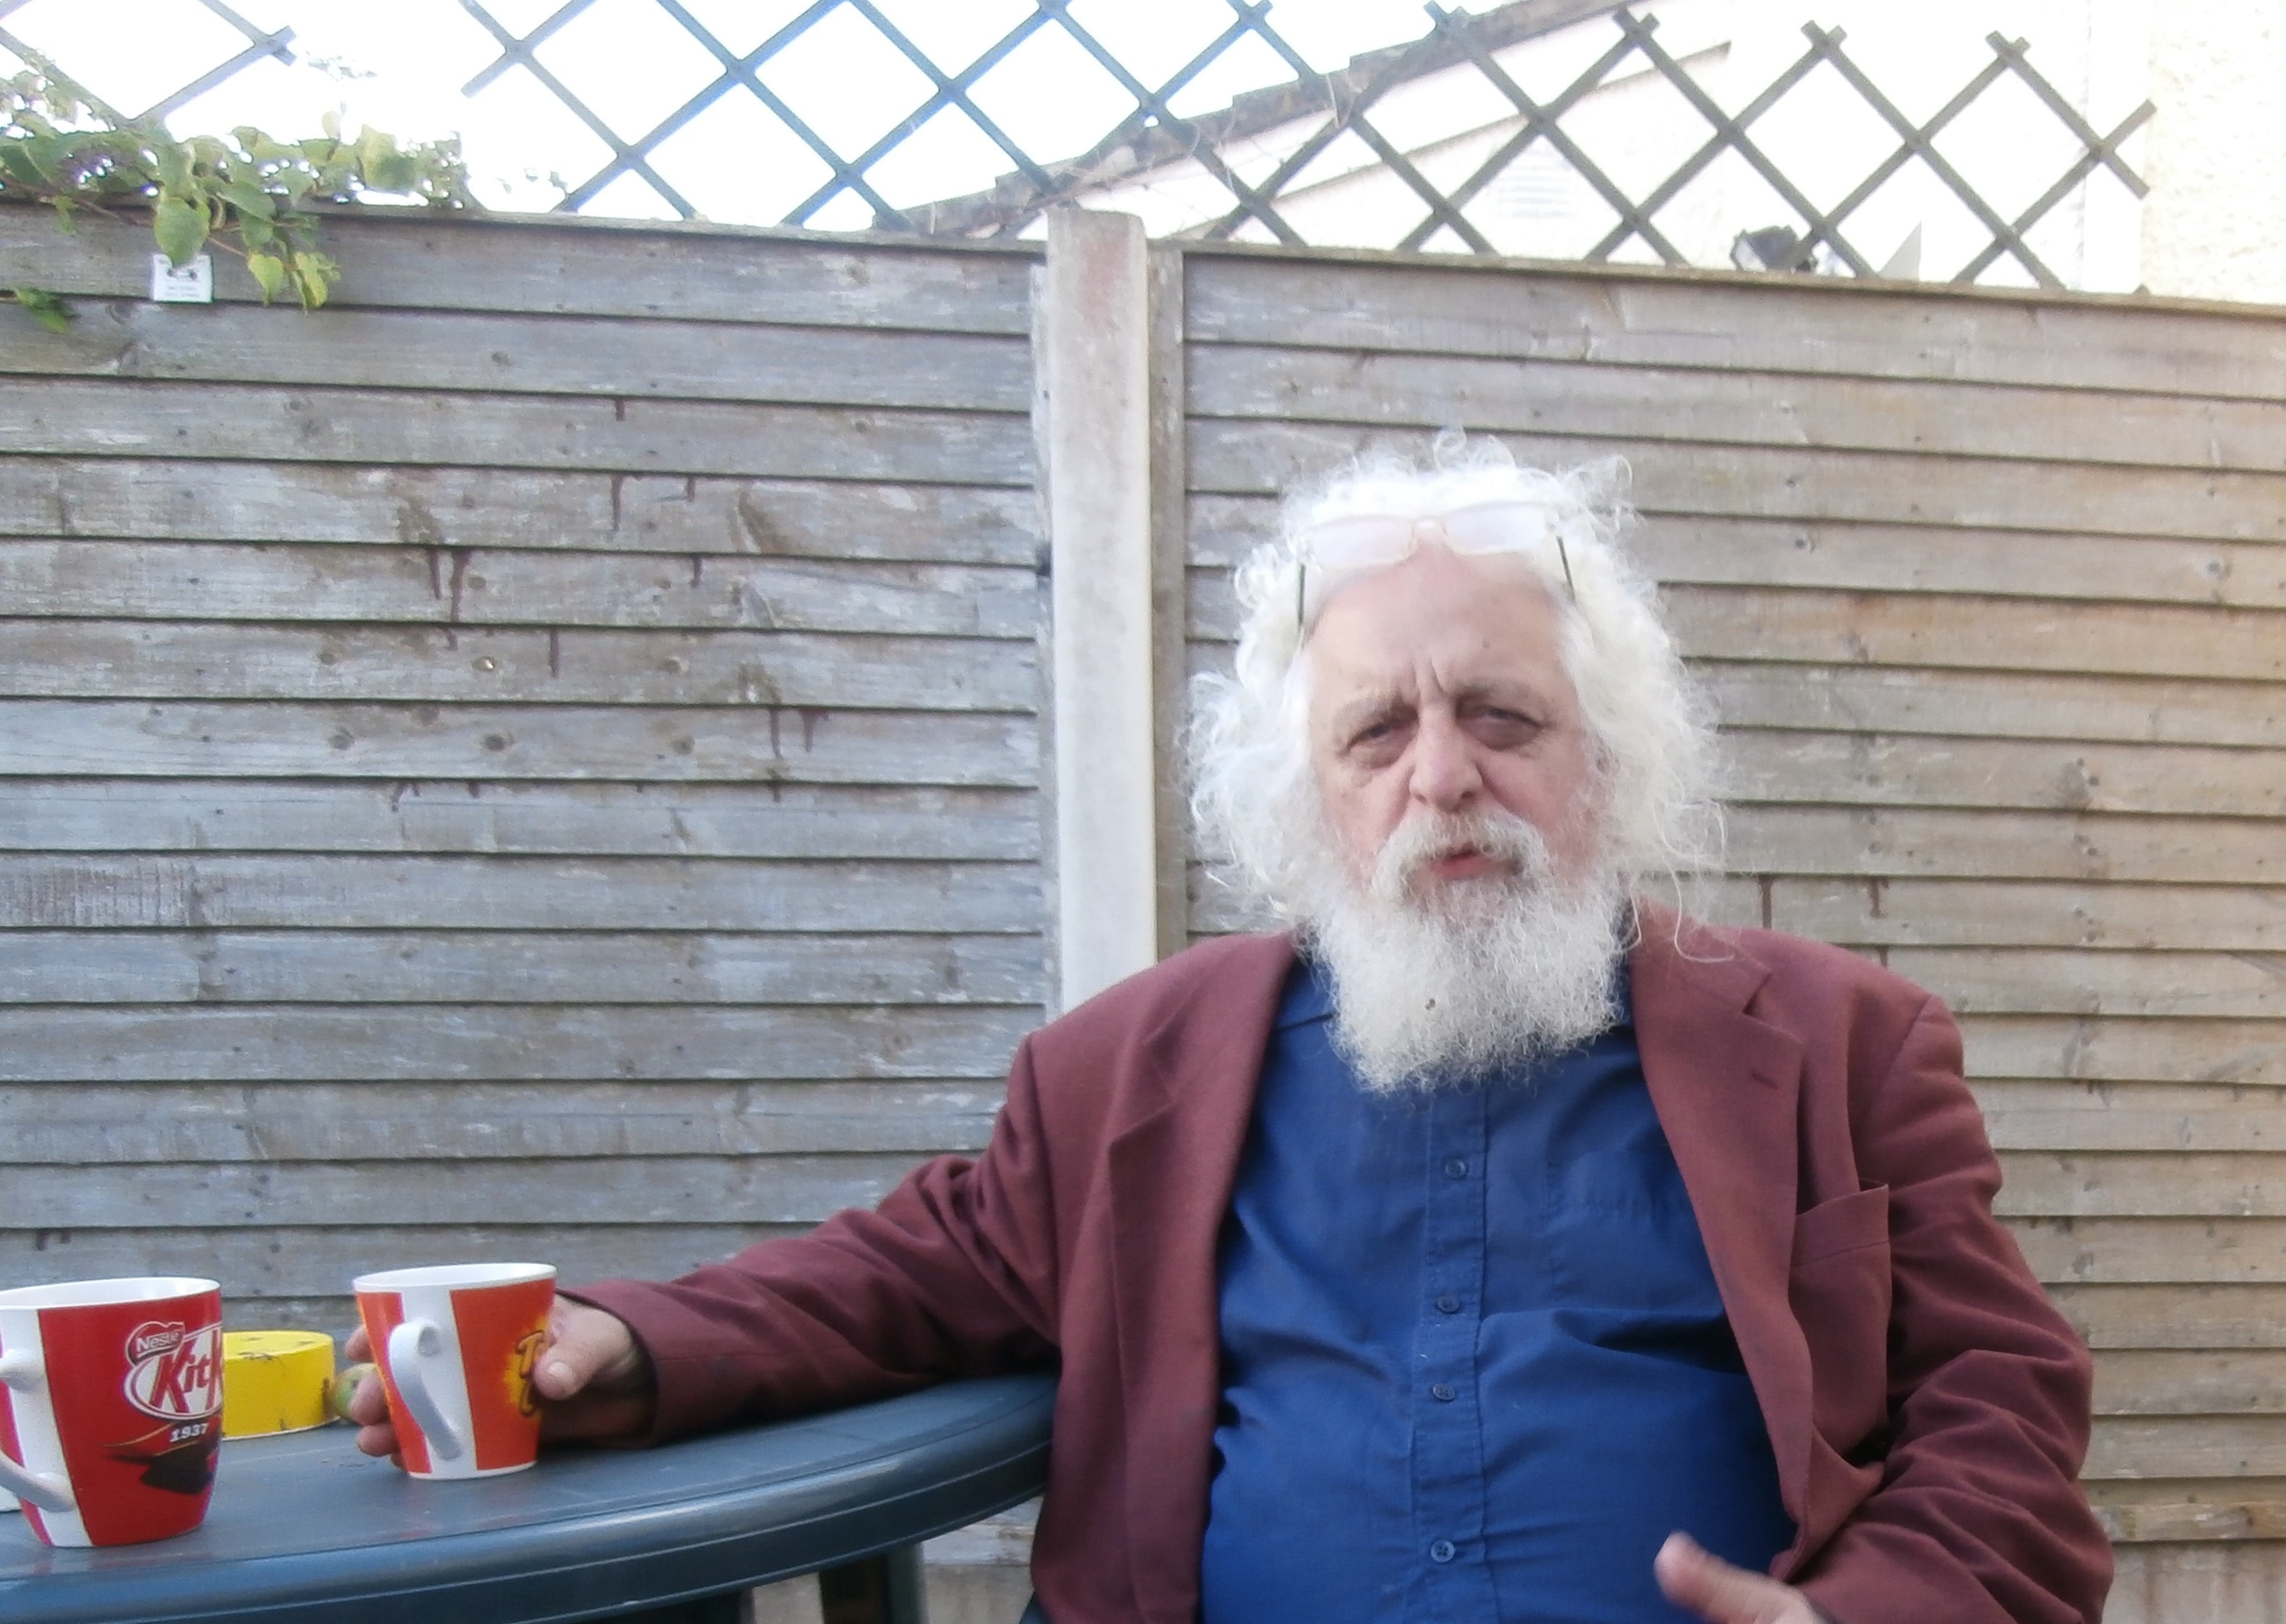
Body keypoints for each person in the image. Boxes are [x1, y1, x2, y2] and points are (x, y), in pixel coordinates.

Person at [350, 446, 2110, 1624]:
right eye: (1377, 731)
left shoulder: (1842, 1042)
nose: (1442, 774)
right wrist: (625, 1336)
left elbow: (2002, 1399)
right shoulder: (1129, 1071)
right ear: (1304, 791)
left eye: (1502, 716)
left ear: (1606, 755)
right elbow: (897, 1273)